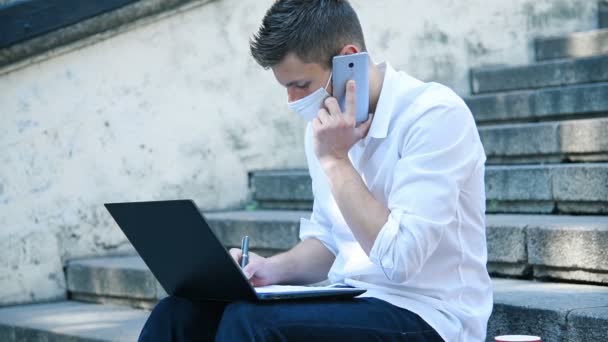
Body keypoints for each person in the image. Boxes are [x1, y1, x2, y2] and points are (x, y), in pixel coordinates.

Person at [139, 0, 492, 341]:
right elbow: (329, 241)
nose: (292, 101)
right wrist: (268, 270)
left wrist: (336, 162)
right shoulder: (322, 128)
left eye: (301, 85)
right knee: (178, 312)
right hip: (351, 298)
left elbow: (399, 260)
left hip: (430, 314)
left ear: (348, 61)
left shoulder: (434, 115)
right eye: (286, 87)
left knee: (253, 324)